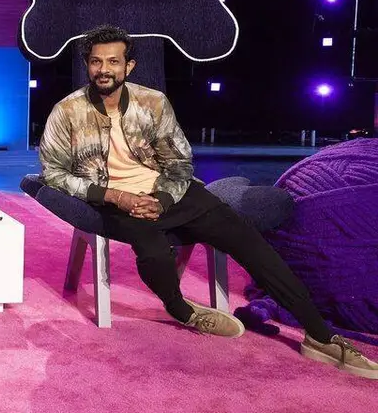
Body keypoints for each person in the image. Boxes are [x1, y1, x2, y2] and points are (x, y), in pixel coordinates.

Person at [38, 25, 377, 379]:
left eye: (113, 61)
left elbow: (179, 162)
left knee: (247, 240)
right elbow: (53, 172)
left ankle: (321, 336)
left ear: (129, 66)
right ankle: (181, 309)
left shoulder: (153, 103)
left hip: (171, 192)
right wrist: (115, 196)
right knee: (154, 253)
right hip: (114, 201)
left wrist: (162, 199)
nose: (104, 69)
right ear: (87, 65)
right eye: (96, 61)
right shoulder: (67, 111)